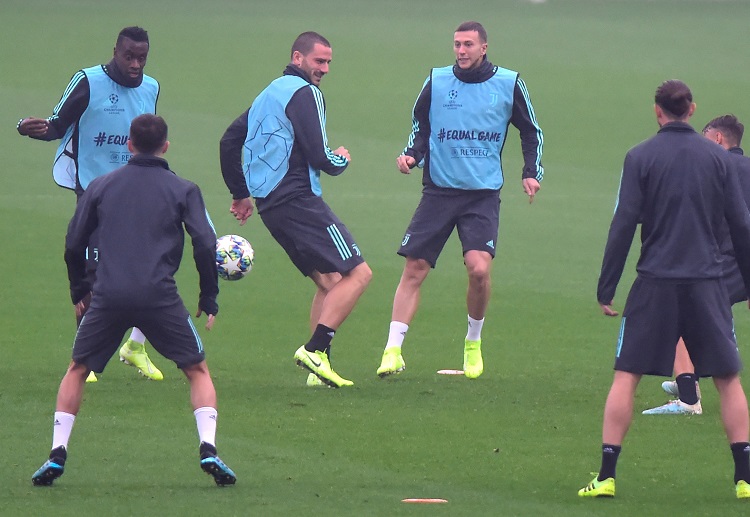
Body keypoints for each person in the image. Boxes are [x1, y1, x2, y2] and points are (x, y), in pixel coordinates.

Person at [31, 114, 236, 487]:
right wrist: (209, 295)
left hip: (108, 295)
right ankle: (208, 448)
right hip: (159, 297)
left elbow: (74, 242)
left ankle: (57, 453)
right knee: (197, 370)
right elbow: (206, 242)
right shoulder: (184, 189)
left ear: (129, 145)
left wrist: (79, 290)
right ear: (166, 146)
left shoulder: (101, 185)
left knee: (77, 369)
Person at [580, 81, 750, 499]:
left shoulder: (640, 156)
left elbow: (623, 223)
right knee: (728, 380)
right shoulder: (719, 158)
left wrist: (606, 286)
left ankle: (606, 477)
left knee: (626, 377)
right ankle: (745, 479)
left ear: (658, 111)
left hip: (655, 282)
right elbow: (741, 225)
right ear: (692, 109)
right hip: (708, 283)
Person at [375, 21, 544, 380]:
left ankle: (473, 343)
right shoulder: (436, 81)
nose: (461, 50)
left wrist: (531, 171)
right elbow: (421, 127)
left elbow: (531, 131)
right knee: (415, 268)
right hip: (439, 191)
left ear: (484, 47)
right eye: (457, 44)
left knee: (479, 271)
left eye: (468, 44)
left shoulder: (508, 83)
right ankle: (392, 350)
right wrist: (411, 156)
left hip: (482, 195)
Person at [219, 31, 372, 388]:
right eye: (319, 61)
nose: (325, 69)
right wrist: (342, 159)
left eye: (329, 62)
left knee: (329, 282)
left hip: (271, 208)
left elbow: (229, 140)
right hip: (299, 200)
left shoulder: (269, 93)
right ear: (297, 57)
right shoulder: (306, 93)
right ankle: (315, 349)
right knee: (359, 274)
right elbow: (320, 157)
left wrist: (240, 194)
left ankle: (318, 369)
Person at [17, 26, 162, 382]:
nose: (135, 64)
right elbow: (56, 126)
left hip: (137, 190)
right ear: (115, 51)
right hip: (95, 195)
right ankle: (84, 356)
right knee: (94, 277)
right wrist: (28, 127)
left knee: (155, 268)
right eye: (129, 56)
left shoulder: (151, 87)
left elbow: (150, 141)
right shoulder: (88, 81)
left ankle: (135, 347)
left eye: (141, 58)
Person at [643, 114, 750, 415]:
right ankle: (688, 379)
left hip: (726, 260)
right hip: (739, 261)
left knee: (679, 313)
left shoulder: (714, 167)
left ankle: (689, 398)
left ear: (718, 139)